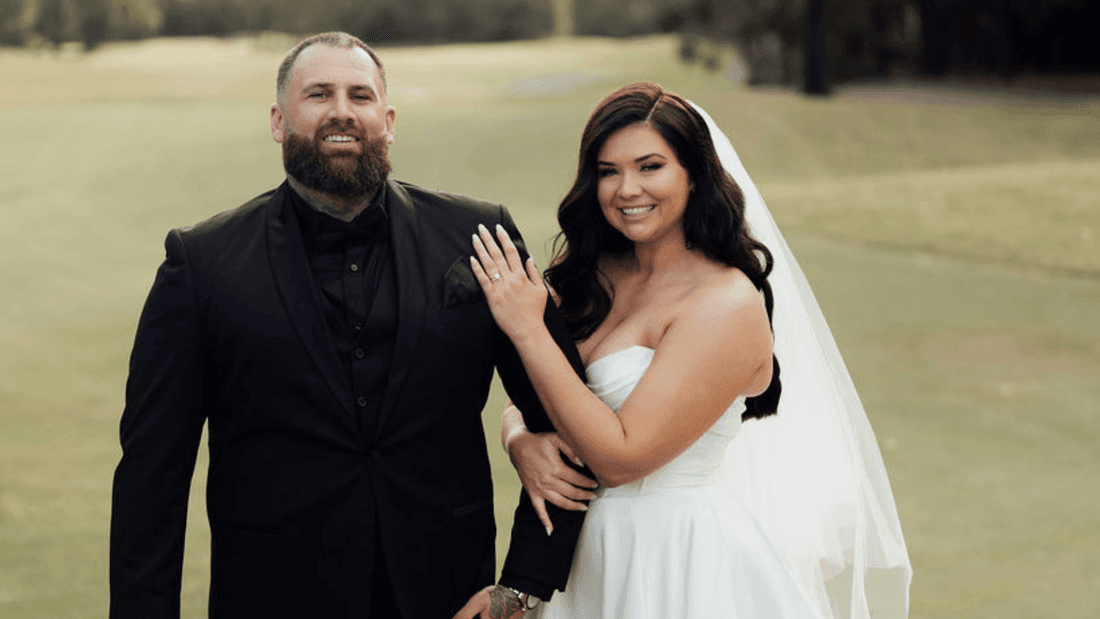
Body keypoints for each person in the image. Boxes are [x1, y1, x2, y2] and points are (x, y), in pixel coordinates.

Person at [109, 32, 595, 619]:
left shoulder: (479, 236)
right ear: (277, 120)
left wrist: (522, 582)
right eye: (319, 94)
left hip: (446, 595)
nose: (342, 110)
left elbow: (570, 417)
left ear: (387, 121)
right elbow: (151, 475)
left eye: (359, 95)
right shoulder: (201, 263)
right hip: (270, 596)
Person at [462, 83, 911, 618]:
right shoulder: (589, 276)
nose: (627, 189)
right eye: (608, 171)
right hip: (580, 565)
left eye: (650, 166)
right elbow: (542, 393)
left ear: (694, 174)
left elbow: (620, 458)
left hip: (675, 560)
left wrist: (528, 329)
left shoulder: (724, 302)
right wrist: (520, 440)